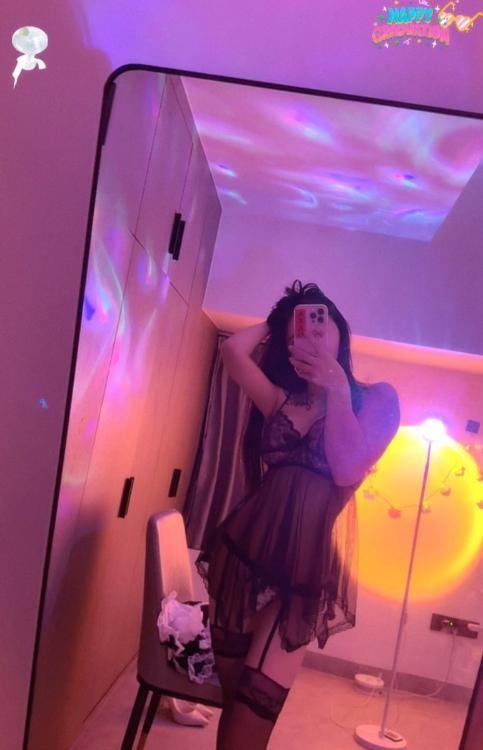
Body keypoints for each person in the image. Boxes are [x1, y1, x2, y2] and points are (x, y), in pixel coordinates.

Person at [196, 281, 400, 750]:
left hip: (301, 575)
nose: (308, 337)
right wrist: (280, 318)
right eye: (297, 336)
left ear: (341, 331)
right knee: (233, 706)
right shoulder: (281, 400)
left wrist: (337, 389)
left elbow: (347, 469)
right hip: (241, 559)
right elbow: (233, 351)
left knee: (253, 714)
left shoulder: (377, 400)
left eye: (318, 324)